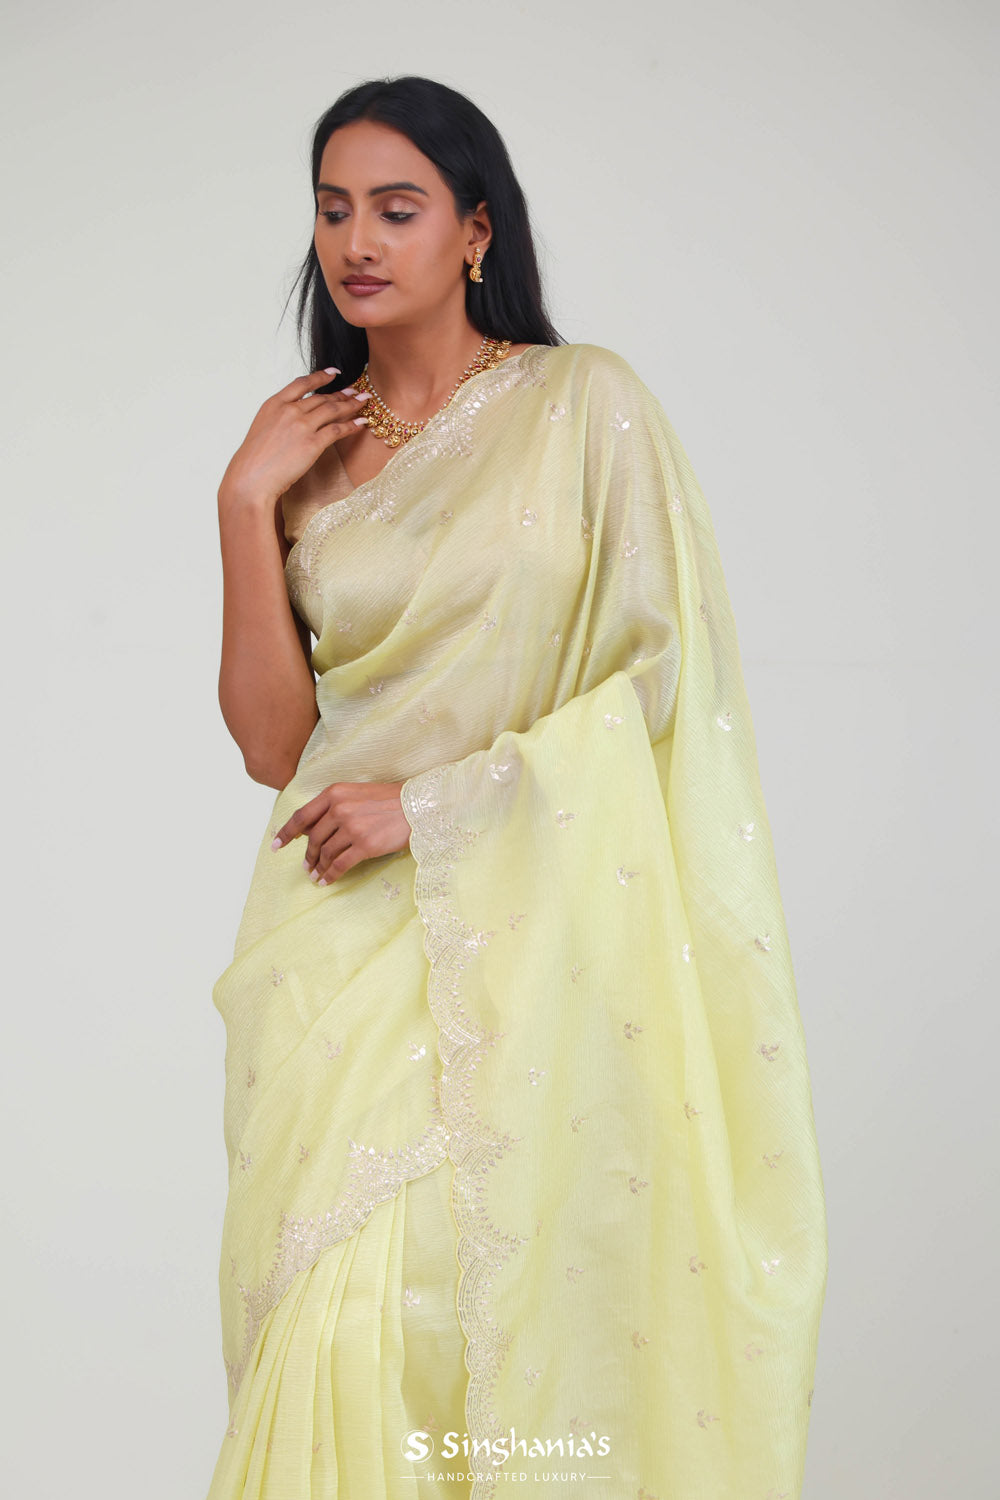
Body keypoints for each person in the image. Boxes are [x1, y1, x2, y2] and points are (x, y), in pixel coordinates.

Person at [207, 74, 828, 1500]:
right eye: (333, 210)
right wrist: (243, 504)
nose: (358, 242)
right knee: (336, 1317)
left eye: (398, 208)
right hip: (336, 944)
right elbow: (270, 745)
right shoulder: (303, 451)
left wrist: (429, 807)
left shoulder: (584, 404)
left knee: (481, 1300)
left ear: (476, 230)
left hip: (532, 915)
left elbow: (656, 683)